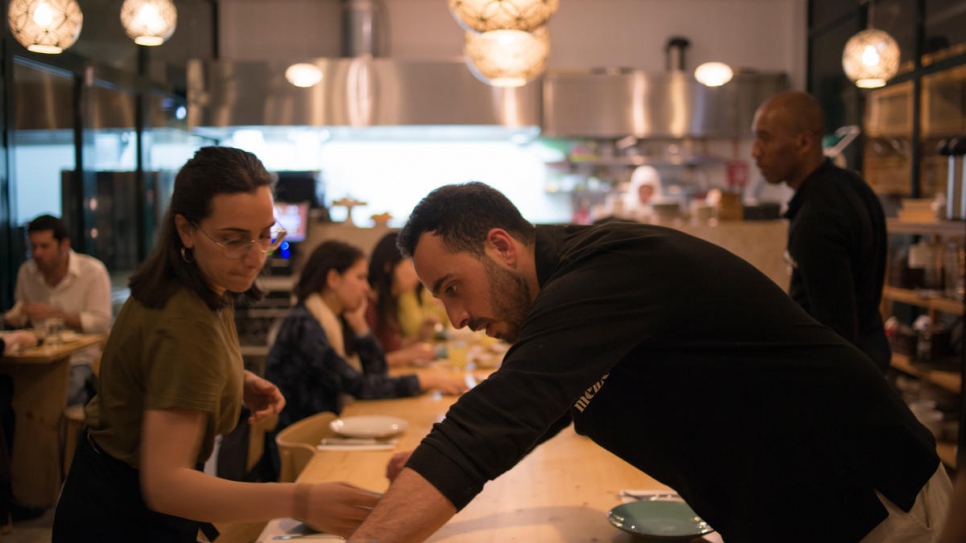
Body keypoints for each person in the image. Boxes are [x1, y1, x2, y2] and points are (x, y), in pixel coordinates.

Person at [347, 182, 949, 543]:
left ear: (501, 246)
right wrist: (429, 465)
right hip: (796, 512)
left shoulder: (600, 272)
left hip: (870, 505)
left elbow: (505, 410)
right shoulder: (572, 282)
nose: (455, 317)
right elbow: (552, 392)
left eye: (454, 288)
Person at [52, 147, 380, 542]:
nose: (256, 256)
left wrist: (233, 379)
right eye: (233, 239)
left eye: (265, 236)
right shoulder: (182, 318)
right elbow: (166, 486)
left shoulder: (200, 281)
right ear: (186, 229)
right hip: (119, 519)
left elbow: (159, 370)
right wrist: (303, 500)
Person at [264, 239, 468, 434]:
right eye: (360, 278)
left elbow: (377, 371)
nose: (367, 288)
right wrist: (425, 380)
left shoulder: (334, 319)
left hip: (328, 429)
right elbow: (359, 386)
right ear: (333, 279)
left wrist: (361, 327)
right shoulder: (304, 326)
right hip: (303, 444)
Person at [752, 90, 891, 372]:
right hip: (871, 356)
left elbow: (835, 333)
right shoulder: (852, 187)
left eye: (765, 138)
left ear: (804, 142)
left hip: (845, 377)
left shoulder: (817, 216)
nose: (755, 151)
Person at [3, 214, 112, 405]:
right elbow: (23, 322)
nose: (37, 253)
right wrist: (16, 318)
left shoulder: (92, 271)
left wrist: (56, 315)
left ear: (64, 245)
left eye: (44, 246)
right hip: (34, 361)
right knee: (13, 398)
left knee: (55, 399)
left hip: (79, 359)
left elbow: (101, 324)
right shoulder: (26, 272)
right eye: (33, 246)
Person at [366, 232, 445, 367]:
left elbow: (391, 347)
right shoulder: (367, 305)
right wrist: (407, 355)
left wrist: (420, 336)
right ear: (389, 266)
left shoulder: (391, 301)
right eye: (411, 265)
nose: (417, 274)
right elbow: (366, 364)